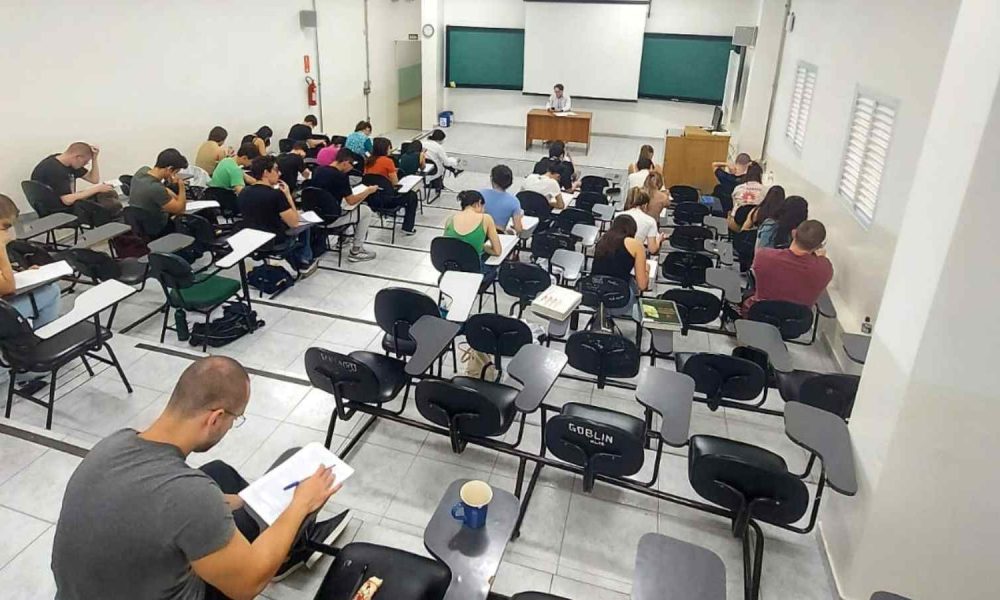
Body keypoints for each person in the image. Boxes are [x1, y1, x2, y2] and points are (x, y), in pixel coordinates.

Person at [52, 357, 344, 600]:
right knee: (278, 518)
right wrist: (300, 504)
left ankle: (278, 540)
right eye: (235, 418)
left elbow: (147, 501)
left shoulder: (113, 444)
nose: (231, 426)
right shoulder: (191, 496)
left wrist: (234, 501)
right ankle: (284, 553)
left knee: (218, 473)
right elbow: (247, 585)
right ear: (215, 418)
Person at [238, 155, 317, 275]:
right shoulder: (276, 195)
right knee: (304, 222)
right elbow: (295, 222)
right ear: (266, 172)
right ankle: (304, 261)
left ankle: (298, 260)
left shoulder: (243, 192)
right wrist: (288, 196)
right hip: (276, 241)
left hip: (253, 239)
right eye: (276, 170)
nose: (279, 173)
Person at [743, 219, 833, 315]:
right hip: (795, 324)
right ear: (819, 246)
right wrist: (821, 258)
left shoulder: (763, 256)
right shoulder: (825, 269)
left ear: (794, 233)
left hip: (760, 315)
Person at [310, 148, 379, 262]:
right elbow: (351, 200)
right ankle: (356, 250)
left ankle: (344, 239)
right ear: (345, 162)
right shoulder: (341, 177)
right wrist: (368, 191)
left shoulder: (318, 170)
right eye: (352, 164)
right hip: (331, 218)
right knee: (365, 211)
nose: (352, 168)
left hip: (315, 216)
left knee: (343, 205)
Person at [592, 214, 648, 318]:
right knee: (633, 285)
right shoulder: (636, 245)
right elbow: (642, 285)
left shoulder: (603, 240)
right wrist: (647, 271)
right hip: (619, 298)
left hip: (593, 294)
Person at [30, 142, 113, 208]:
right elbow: (67, 200)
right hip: (59, 209)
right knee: (108, 206)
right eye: (85, 162)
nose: (85, 164)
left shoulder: (65, 161)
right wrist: (96, 189)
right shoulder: (55, 170)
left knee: (109, 193)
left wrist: (94, 158)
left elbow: (94, 179)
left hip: (63, 200)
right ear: (78, 157)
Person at [129, 148, 190, 237]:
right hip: (158, 228)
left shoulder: (142, 171)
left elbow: (163, 188)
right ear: (169, 169)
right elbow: (180, 209)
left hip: (140, 224)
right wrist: (181, 185)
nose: (175, 176)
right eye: (175, 172)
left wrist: (177, 198)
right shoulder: (156, 189)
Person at [363, 137, 418, 235]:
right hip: (387, 200)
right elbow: (395, 183)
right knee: (412, 196)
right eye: (389, 148)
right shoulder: (388, 161)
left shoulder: (368, 161)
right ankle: (407, 227)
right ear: (384, 149)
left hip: (371, 199)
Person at [444, 190, 502, 282]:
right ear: (479, 203)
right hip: (475, 272)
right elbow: (497, 251)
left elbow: (446, 247)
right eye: (483, 207)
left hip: (452, 270)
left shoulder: (450, 219)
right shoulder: (486, 218)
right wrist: (483, 246)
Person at [480, 164, 523, 234]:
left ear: (492, 179)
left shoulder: (481, 194)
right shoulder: (514, 201)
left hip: (480, 234)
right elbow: (518, 229)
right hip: (499, 236)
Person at [622, 187, 664, 254]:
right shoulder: (650, 221)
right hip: (635, 254)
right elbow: (652, 249)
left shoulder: (617, 215)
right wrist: (659, 240)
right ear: (645, 205)